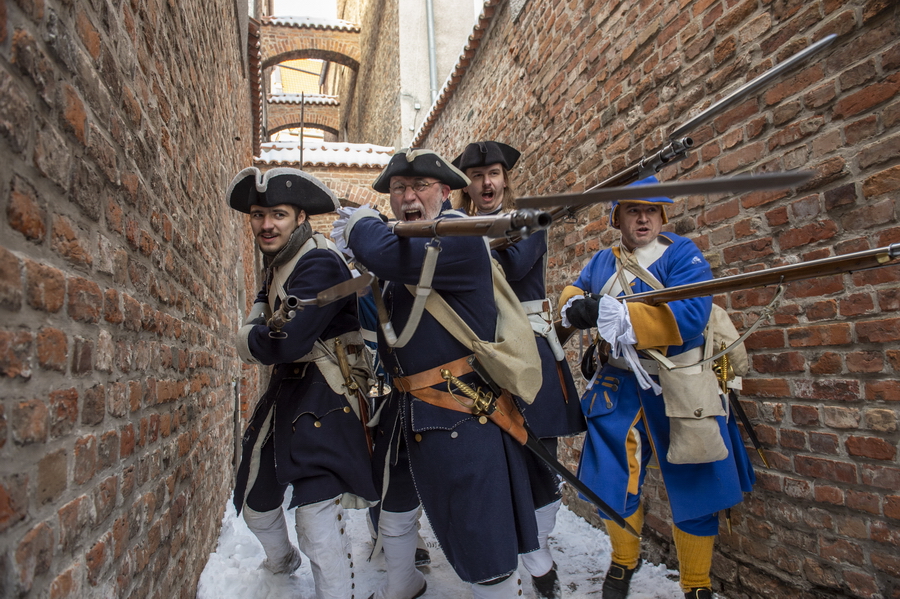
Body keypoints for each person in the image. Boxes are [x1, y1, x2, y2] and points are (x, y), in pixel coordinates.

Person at [334, 148, 540, 599]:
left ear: (446, 193)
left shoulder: (460, 237)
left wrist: (361, 225)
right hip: (407, 407)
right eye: (399, 189)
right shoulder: (405, 245)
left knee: (483, 542)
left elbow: (387, 254)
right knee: (393, 511)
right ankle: (403, 584)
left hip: (460, 410)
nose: (409, 196)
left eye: (420, 187)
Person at [558, 178, 755, 599]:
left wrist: (616, 314)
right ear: (618, 217)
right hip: (618, 380)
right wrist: (574, 304)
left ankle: (696, 582)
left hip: (676, 380)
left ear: (662, 215)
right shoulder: (602, 261)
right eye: (632, 209)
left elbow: (689, 315)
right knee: (610, 479)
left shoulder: (682, 255)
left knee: (695, 479)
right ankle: (625, 559)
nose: (643, 217)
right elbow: (576, 288)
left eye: (651, 209)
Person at [227, 167, 379, 599]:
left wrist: (245, 339)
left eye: (277, 214)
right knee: (256, 505)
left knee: (316, 524)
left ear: (299, 218)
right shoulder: (278, 262)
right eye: (258, 215)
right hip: (288, 394)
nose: (266, 224)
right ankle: (282, 562)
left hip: (328, 396)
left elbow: (287, 342)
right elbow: (269, 319)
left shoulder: (318, 260)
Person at [453, 141, 586, 599]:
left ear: (506, 178)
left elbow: (506, 269)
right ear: (465, 184)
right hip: (478, 354)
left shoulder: (527, 223)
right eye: (476, 175)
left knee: (538, 456)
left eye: (493, 173)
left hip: (527, 348)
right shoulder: (456, 229)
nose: (486, 183)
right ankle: (511, 554)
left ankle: (539, 552)